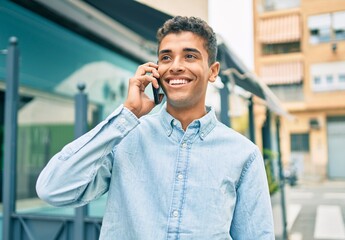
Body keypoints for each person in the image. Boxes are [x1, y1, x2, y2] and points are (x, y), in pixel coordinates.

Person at [36, 16, 274, 239]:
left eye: (190, 56)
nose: (175, 66)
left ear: (212, 72)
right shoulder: (125, 137)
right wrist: (127, 114)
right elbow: (53, 189)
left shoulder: (244, 154)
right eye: (166, 57)